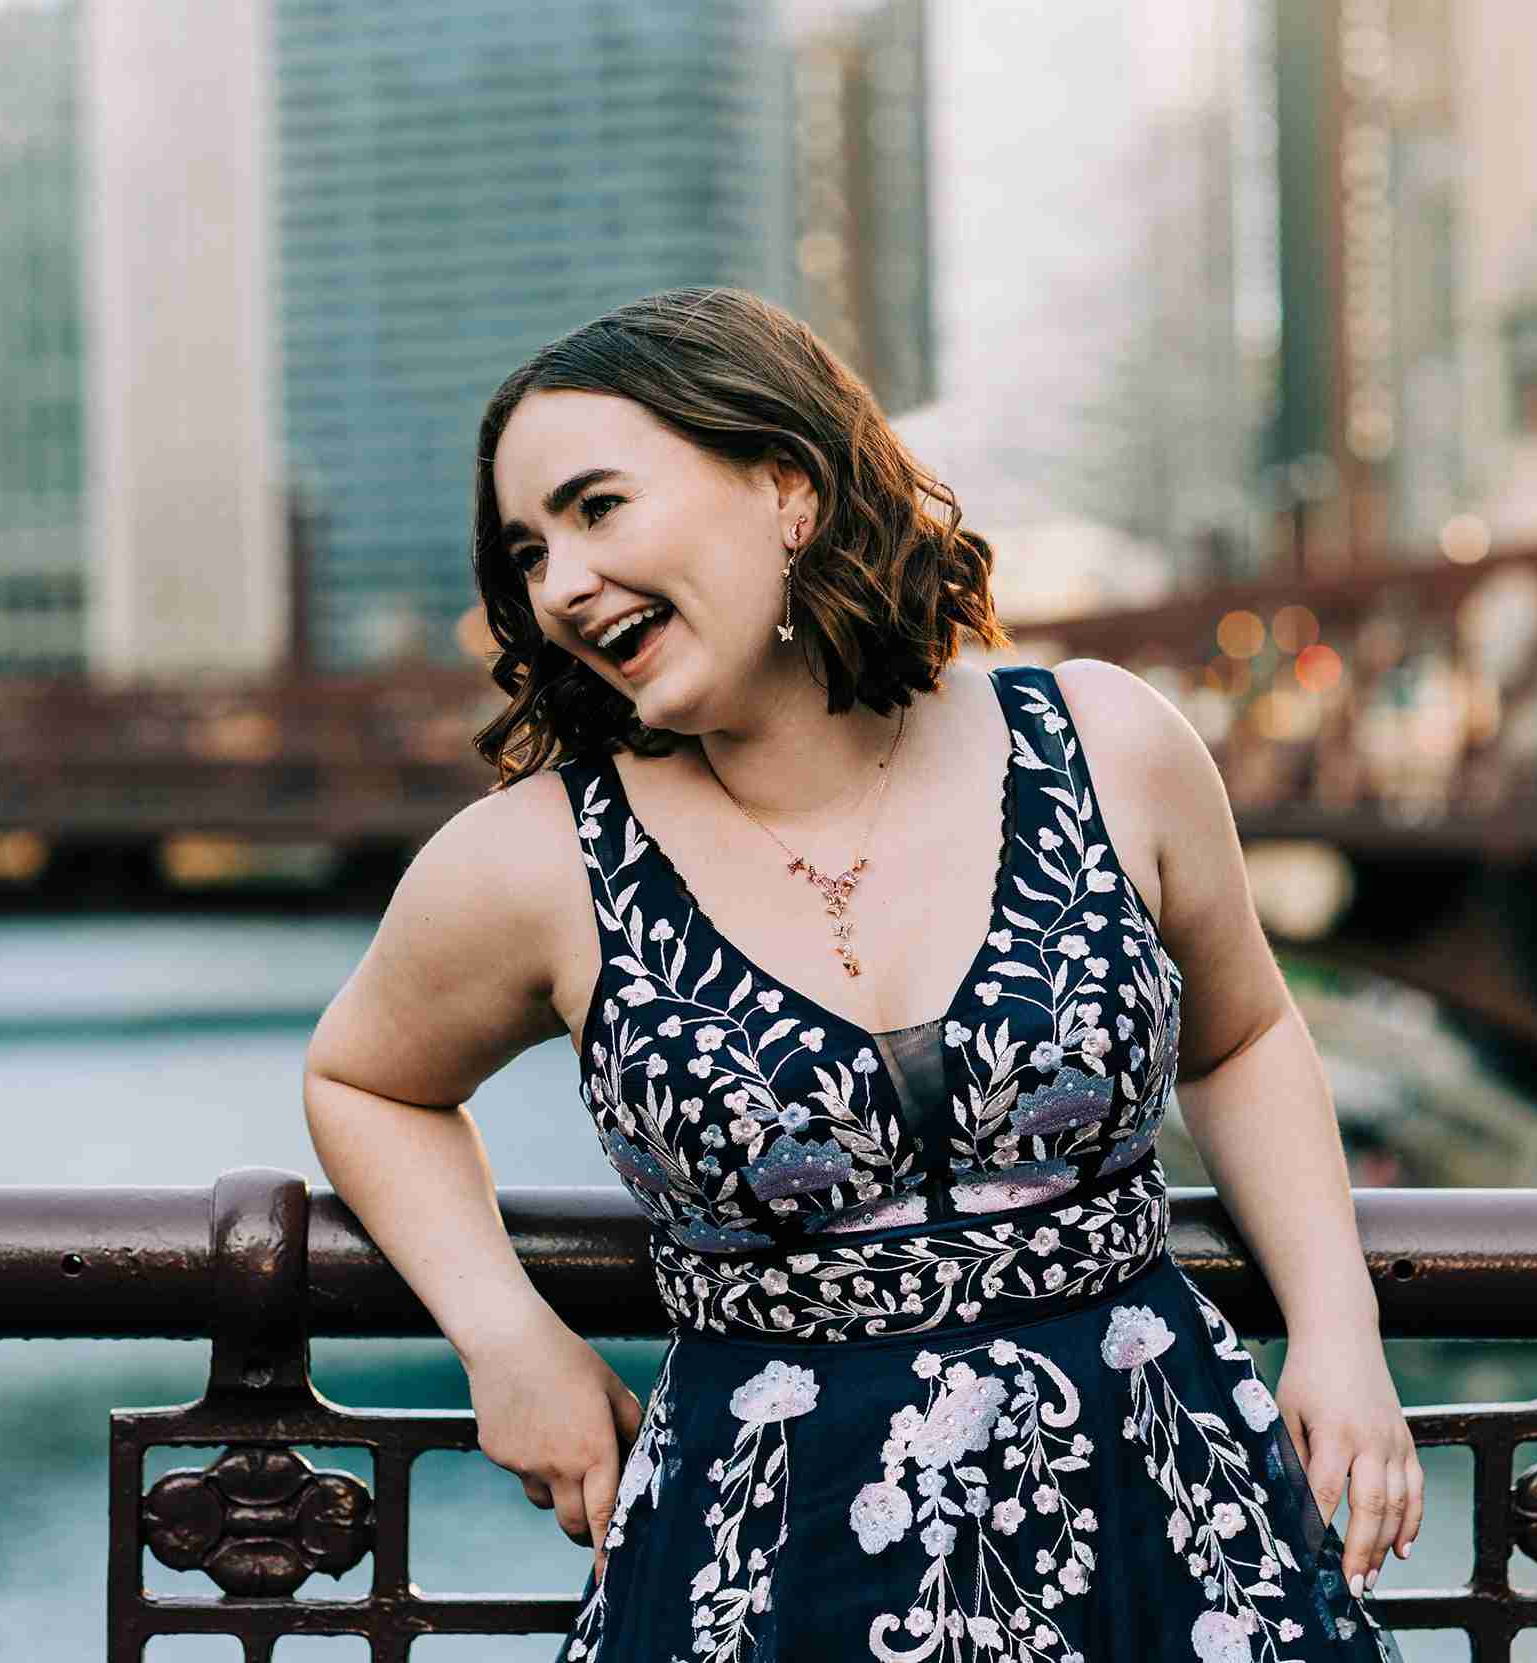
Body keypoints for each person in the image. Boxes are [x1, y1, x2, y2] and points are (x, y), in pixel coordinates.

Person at [303, 286, 1419, 1661]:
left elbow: (1242, 1039)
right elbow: (364, 1080)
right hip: (771, 1566)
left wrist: (1338, 1333)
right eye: (529, 552)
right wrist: (504, 1335)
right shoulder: (536, 862)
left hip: (1164, 1522)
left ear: (788, 486)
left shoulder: (1105, 743)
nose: (560, 585)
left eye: (599, 509)